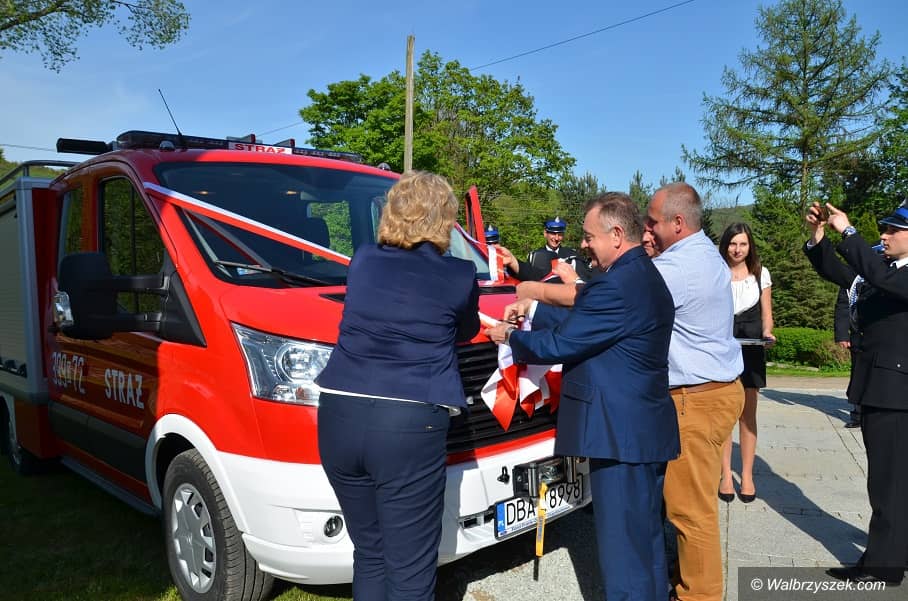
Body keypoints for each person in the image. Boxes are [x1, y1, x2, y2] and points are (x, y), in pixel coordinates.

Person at [486, 192, 679, 601]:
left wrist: (511, 338)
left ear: (616, 234)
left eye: (590, 236)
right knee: (645, 544)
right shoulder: (635, 274)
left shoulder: (618, 284)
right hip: (640, 433)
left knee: (624, 557)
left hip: (620, 438)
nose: (584, 244)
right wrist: (533, 309)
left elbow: (564, 342)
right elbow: (589, 318)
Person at [315, 171, 480, 601]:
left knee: (370, 553)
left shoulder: (364, 260)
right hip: (408, 422)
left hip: (339, 413)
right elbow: (465, 330)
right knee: (410, 572)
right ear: (443, 219)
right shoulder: (460, 275)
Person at [644, 182, 744, 601]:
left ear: (677, 223)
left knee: (690, 511)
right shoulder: (704, 252)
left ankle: (699, 594)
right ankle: (688, 579)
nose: (647, 228)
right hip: (718, 391)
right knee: (694, 502)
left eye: (652, 221)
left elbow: (617, 299)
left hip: (695, 399)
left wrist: (537, 292)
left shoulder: (677, 267)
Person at [804, 199, 908, 586]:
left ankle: (883, 566)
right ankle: (894, 554)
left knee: (887, 484)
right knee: (891, 481)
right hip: (881, 388)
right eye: (885, 228)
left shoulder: (896, 274)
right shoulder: (887, 270)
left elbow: (874, 274)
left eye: (894, 230)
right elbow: (843, 273)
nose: (885, 234)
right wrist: (818, 238)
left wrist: (849, 232)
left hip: (895, 392)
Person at [717, 223, 776, 504]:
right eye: (732, 243)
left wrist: (768, 333)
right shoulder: (716, 272)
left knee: (747, 414)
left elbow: (767, 314)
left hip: (751, 348)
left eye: (742, 244)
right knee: (724, 415)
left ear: (750, 246)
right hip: (722, 348)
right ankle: (726, 475)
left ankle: (748, 475)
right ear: (725, 245)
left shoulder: (761, 274)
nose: (737, 249)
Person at [834, 287, 862, 428]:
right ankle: (858, 414)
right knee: (858, 375)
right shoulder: (852, 280)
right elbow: (843, 307)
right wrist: (842, 335)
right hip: (860, 335)